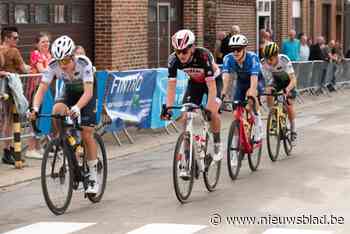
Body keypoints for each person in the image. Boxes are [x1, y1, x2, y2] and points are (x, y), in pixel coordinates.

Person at [30, 35, 99, 194]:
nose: (63, 65)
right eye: (60, 61)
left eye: (66, 61)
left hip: (86, 93)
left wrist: (77, 108)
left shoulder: (84, 63)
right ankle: (65, 143)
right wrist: (34, 108)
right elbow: (41, 91)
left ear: (72, 56)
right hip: (68, 91)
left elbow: (88, 93)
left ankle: (93, 176)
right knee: (56, 112)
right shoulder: (53, 66)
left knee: (87, 133)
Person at [161, 29, 223, 178]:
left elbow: (212, 87)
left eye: (184, 51)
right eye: (177, 51)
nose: (181, 55)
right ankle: (187, 158)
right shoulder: (173, 60)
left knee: (212, 112)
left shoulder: (203, 56)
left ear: (192, 48)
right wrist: (168, 108)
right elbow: (171, 86)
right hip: (195, 83)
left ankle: (217, 146)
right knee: (184, 115)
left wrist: (208, 107)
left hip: (213, 82)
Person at [221, 34, 265, 142]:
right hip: (241, 83)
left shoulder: (252, 57)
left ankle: (258, 125)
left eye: (238, 49)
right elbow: (226, 77)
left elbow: (254, 79)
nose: (235, 52)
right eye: (233, 49)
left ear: (244, 49)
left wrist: (251, 92)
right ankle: (236, 142)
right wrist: (223, 93)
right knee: (236, 114)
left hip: (256, 80)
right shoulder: (228, 58)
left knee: (250, 102)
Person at [0, 26, 27, 165]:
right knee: (10, 121)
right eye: (15, 38)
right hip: (10, 89)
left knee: (6, 120)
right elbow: (23, 69)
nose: (17, 40)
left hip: (2, 89)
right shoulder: (13, 51)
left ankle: (11, 150)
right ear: (6, 38)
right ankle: (8, 151)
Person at [261, 42, 298, 146]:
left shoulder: (284, 60)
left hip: (287, 81)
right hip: (275, 81)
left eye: (271, 59)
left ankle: (293, 130)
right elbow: (266, 82)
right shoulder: (263, 63)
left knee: (289, 103)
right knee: (269, 92)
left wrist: (287, 89)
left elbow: (293, 79)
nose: (269, 61)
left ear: (277, 55)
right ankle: (273, 116)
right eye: (267, 58)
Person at [25, 32, 52, 159]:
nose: (46, 44)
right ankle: (30, 148)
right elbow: (42, 70)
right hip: (37, 89)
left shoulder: (49, 55)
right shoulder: (36, 54)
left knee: (42, 117)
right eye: (43, 42)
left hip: (46, 88)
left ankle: (38, 147)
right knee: (35, 117)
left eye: (47, 41)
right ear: (37, 44)